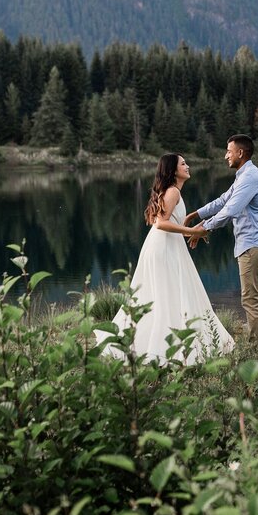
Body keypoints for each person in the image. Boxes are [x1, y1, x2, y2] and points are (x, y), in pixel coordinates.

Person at [99, 153, 234, 364]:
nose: (188, 166)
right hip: (163, 246)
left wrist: (189, 232)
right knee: (167, 293)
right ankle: (161, 346)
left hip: (165, 245)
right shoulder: (172, 191)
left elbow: (162, 221)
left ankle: (168, 341)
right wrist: (191, 231)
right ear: (173, 170)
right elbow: (160, 223)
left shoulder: (173, 191)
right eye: (183, 164)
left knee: (168, 293)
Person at [184, 134, 258, 346]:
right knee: (255, 298)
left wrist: (202, 228)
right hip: (253, 243)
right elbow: (223, 200)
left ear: (240, 153)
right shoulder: (244, 176)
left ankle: (256, 350)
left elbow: (230, 211)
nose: (226, 156)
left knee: (251, 299)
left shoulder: (251, 177)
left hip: (253, 244)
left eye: (229, 151)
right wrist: (196, 214)